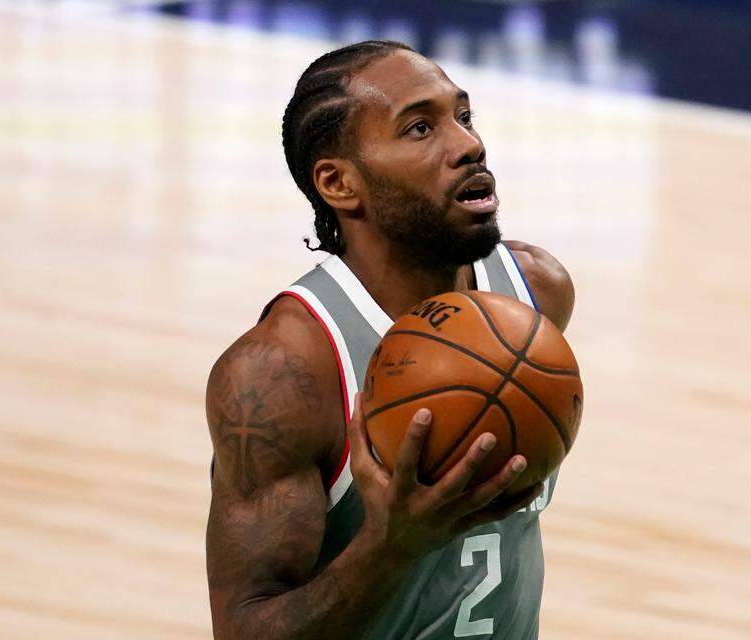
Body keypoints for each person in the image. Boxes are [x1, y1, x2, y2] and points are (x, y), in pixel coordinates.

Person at [205, 40, 575, 640]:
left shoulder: (536, 294)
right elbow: (244, 629)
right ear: (339, 184)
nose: (467, 144)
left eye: (464, 116)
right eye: (420, 128)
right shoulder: (284, 373)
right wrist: (389, 545)